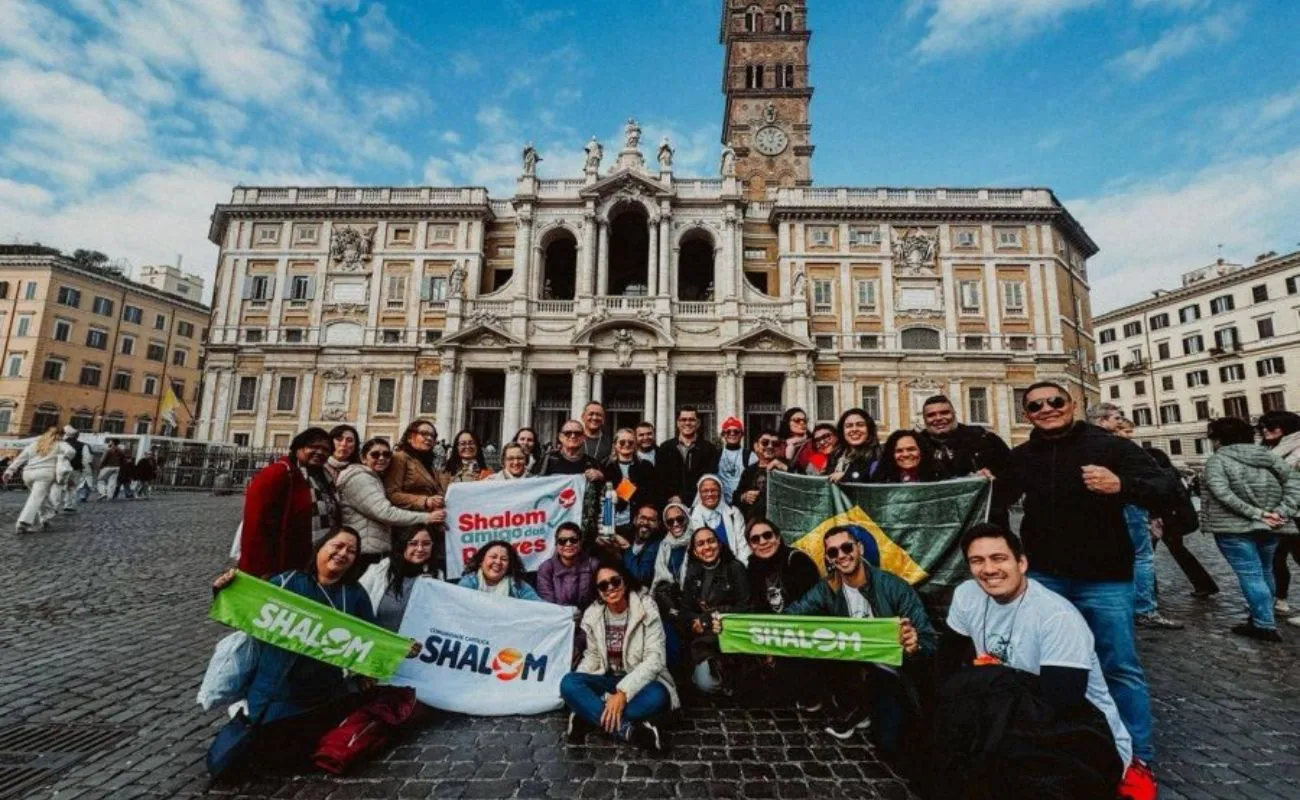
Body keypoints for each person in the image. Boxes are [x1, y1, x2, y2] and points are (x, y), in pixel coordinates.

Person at [998, 382, 1179, 770]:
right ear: (1027, 413)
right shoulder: (1022, 456)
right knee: (1042, 663)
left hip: (1105, 578)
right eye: (1036, 405)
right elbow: (994, 502)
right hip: (1045, 577)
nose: (1047, 409)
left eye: (1055, 402)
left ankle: (1138, 759)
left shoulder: (1110, 447)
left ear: (1073, 404)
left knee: (1119, 666)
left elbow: (1168, 489)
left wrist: (1122, 485)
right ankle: (1054, 747)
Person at [936, 524, 1141, 799]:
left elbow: (1062, 701)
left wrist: (991, 676)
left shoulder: (1057, 617)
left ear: (1021, 563)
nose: (988, 570)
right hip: (1011, 714)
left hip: (1079, 730)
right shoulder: (966, 595)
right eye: (977, 561)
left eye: (999, 558)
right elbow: (945, 663)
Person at [208, 527, 419, 776]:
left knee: (290, 759)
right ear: (321, 547)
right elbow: (243, 615)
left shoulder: (354, 595)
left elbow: (370, 640)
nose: (343, 554)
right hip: (271, 691)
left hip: (318, 697)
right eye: (338, 546)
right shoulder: (286, 582)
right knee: (238, 760)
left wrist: (400, 649)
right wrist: (223, 590)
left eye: (351, 551)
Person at [783, 525, 936, 751]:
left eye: (847, 547)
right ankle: (853, 705)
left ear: (860, 548)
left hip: (889, 671)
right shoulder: (828, 587)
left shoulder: (893, 586)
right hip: (850, 666)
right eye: (833, 552)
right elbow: (793, 615)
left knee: (889, 745)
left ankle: (870, 708)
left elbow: (928, 639)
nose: (842, 555)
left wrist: (914, 645)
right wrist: (747, 627)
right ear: (828, 558)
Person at [1202, 417, 1300, 642]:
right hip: (1271, 525)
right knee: (1265, 570)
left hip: (1234, 526)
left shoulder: (1218, 461)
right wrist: (1281, 512)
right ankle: (1263, 615)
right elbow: (1295, 483)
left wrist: (1258, 514)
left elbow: (1222, 493)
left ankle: (1264, 623)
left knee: (1251, 574)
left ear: (1218, 439)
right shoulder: (1268, 456)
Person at [562, 561, 677, 751]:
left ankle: (590, 714)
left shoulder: (646, 607)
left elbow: (655, 659)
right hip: (607, 679)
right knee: (569, 683)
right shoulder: (593, 614)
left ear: (625, 581)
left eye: (615, 581)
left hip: (642, 683)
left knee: (658, 696)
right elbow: (593, 657)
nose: (610, 588)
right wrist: (583, 686)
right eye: (603, 585)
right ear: (598, 591)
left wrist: (623, 693)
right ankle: (629, 731)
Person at [656, 526, 751, 694]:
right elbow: (686, 609)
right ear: (694, 551)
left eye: (711, 541)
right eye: (700, 544)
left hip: (729, 639)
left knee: (716, 683)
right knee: (706, 684)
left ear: (719, 544)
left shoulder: (735, 568)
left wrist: (707, 619)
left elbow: (745, 606)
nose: (707, 547)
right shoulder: (693, 571)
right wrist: (694, 621)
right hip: (702, 642)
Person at [1112, 417, 1185, 630]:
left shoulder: (1100, 449)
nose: (1130, 436)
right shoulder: (1125, 451)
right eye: (1125, 430)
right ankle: (1144, 609)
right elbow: (1153, 484)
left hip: (1119, 508)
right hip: (1132, 507)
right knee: (1142, 557)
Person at [239, 428, 339, 578]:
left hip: (315, 557)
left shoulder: (323, 477)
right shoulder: (278, 473)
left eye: (325, 449)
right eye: (313, 447)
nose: (320, 452)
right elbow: (256, 523)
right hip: (282, 561)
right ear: (298, 447)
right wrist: (261, 568)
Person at [337, 438, 442, 570]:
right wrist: (427, 517)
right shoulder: (360, 478)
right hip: (365, 551)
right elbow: (385, 512)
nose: (382, 458)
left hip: (370, 547)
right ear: (363, 458)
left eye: (386, 454)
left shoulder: (373, 477)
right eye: (375, 454)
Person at [1259, 410, 1300, 625]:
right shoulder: (1269, 449)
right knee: (1276, 556)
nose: (1266, 430)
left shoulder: (1296, 448)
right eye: (1264, 426)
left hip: (1295, 510)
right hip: (1279, 510)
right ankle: (1280, 599)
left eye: (1272, 426)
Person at [359, 525, 440, 632]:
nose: (420, 549)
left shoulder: (437, 576)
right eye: (413, 543)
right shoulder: (378, 571)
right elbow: (357, 605)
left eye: (426, 544)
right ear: (402, 545)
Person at [920, 394, 1011, 481]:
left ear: (954, 414)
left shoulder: (985, 440)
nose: (938, 418)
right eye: (931, 415)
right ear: (924, 419)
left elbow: (1011, 474)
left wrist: (989, 477)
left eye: (945, 413)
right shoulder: (916, 444)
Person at [3, 427, 73, 533]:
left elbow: (20, 458)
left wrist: (9, 471)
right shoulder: (60, 443)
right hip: (45, 474)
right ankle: (23, 523)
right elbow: (71, 451)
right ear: (61, 435)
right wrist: (63, 458)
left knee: (40, 497)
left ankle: (44, 518)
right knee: (36, 498)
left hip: (27, 474)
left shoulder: (35, 444)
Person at [655, 406, 720, 506]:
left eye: (692, 420)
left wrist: (691, 498)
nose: (687, 423)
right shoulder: (665, 448)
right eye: (683, 420)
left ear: (698, 423)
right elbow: (660, 478)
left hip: (700, 503)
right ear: (677, 423)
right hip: (671, 504)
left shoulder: (709, 449)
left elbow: (710, 477)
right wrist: (672, 497)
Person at [602, 428, 662, 530]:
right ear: (615, 445)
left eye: (630, 442)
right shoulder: (606, 467)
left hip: (639, 524)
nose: (626, 445)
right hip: (613, 524)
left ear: (635, 445)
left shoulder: (645, 466)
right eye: (622, 442)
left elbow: (653, 494)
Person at [384, 419, 447, 514]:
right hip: (408, 521)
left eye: (432, 436)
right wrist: (425, 501)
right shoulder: (400, 457)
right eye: (424, 434)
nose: (429, 438)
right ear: (410, 438)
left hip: (431, 519)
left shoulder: (428, 463)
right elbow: (392, 494)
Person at [688, 474, 751, 564]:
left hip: (733, 568)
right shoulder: (690, 516)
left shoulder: (733, 513)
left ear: (720, 492)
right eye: (705, 491)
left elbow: (743, 546)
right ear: (699, 493)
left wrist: (740, 569)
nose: (709, 494)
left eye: (713, 490)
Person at [456, 540, 541, 600]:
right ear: (481, 561)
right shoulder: (468, 583)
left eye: (504, 559)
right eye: (493, 557)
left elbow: (539, 607)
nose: (498, 562)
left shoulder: (518, 586)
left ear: (509, 566)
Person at [732, 429, 788, 521]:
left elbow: (804, 487)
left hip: (782, 521)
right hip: (755, 523)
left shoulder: (789, 467)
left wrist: (784, 468)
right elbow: (736, 497)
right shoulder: (749, 471)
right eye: (765, 443)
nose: (770, 447)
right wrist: (744, 497)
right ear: (756, 446)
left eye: (775, 444)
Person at [531, 419, 603, 481]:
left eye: (577, 433)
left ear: (583, 437)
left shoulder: (592, 463)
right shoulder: (546, 460)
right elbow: (534, 485)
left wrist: (600, 477)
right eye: (568, 433)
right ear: (560, 437)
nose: (573, 436)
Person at [828, 408, 880, 484]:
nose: (854, 429)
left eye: (860, 425)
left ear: (869, 429)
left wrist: (846, 477)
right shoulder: (836, 454)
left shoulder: (878, 455)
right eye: (849, 426)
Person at [618, 504, 664, 586]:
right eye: (642, 518)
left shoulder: (657, 546)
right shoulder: (625, 535)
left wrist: (628, 549)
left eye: (652, 520)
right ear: (635, 520)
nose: (646, 523)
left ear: (658, 524)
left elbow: (640, 578)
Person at [871, 430, 939, 484]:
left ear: (921, 451)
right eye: (899, 451)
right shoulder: (877, 471)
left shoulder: (937, 472)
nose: (905, 454)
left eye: (911, 449)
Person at [652, 502, 693, 587]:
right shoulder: (664, 545)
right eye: (670, 521)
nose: (675, 524)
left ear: (687, 518)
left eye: (680, 519)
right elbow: (659, 576)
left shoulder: (697, 541)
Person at [716, 417, 756, 503]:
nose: (732, 434)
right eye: (728, 431)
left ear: (742, 434)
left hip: (742, 501)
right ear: (723, 435)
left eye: (736, 431)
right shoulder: (716, 454)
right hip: (720, 502)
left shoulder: (750, 456)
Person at [60, 426, 89, 512]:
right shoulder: (83, 445)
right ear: (77, 436)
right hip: (75, 469)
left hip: (60, 469)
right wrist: (84, 469)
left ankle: (54, 506)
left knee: (57, 487)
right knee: (72, 487)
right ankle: (69, 505)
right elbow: (86, 459)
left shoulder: (60, 444)